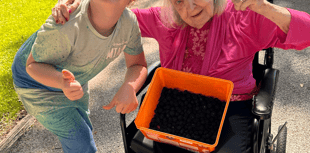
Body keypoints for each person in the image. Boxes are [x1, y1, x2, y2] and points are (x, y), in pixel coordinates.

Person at [54, 0, 310, 152]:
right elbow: (109, 17)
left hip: (231, 106)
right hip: (178, 106)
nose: (188, 7)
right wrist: (77, 7)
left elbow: (306, 32)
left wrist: (265, 8)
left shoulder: (246, 18)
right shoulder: (165, 19)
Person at [11, 0, 148, 152]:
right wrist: (60, 81)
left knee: (83, 125)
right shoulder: (67, 24)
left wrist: (130, 86)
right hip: (36, 84)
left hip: (74, 78)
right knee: (82, 143)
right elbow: (32, 65)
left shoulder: (128, 23)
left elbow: (138, 64)